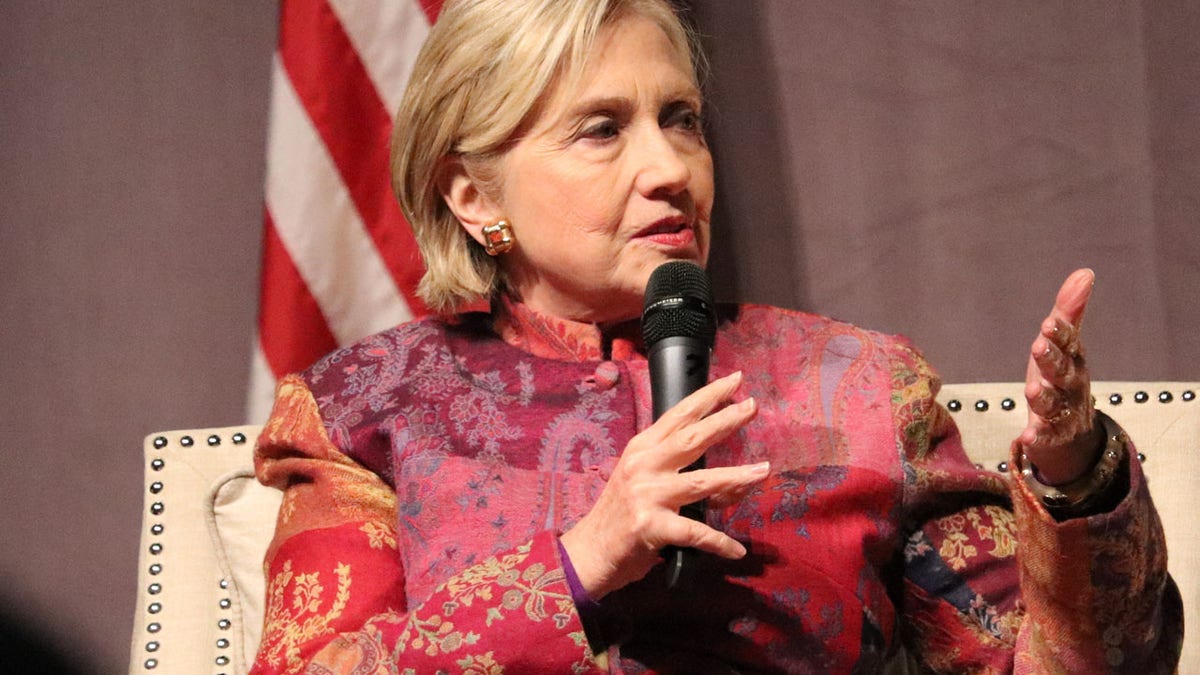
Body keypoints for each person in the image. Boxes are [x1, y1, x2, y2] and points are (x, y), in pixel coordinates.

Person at [250, 0, 1182, 672]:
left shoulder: (859, 385)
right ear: (473, 194)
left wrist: (1075, 481)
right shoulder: (367, 406)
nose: (670, 169)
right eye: (602, 130)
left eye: (682, 120)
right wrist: (579, 566)